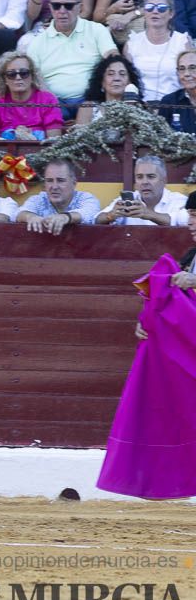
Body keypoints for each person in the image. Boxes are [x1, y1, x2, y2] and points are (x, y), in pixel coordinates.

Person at [95, 192, 196, 501]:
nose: (191, 223)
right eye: (191, 216)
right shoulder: (191, 256)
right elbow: (172, 303)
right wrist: (149, 323)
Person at [25, 0, 118, 108]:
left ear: (79, 7)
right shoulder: (37, 42)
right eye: (57, 6)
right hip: (54, 103)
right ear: (51, 8)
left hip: (92, 100)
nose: (62, 11)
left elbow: (114, 59)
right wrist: (51, 101)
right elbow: (33, 79)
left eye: (68, 6)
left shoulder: (97, 30)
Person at [124, 0, 191, 102]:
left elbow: (190, 78)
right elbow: (128, 82)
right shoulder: (132, 43)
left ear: (171, 14)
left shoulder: (182, 42)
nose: (155, 11)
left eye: (161, 8)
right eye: (150, 7)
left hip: (174, 106)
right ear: (144, 12)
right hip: (140, 107)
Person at [0, 50, 63, 139]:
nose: (18, 78)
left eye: (24, 73)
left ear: (32, 76)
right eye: (11, 74)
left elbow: (54, 140)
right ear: (4, 79)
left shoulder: (47, 100)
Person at [95, 155, 190, 226]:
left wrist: (149, 214)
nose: (144, 182)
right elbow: (96, 220)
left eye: (151, 177)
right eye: (139, 177)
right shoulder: (128, 200)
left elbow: (188, 220)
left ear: (164, 180)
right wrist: (112, 215)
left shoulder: (178, 201)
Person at [15, 158, 100, 234]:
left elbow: (90, 213)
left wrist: (65, 217)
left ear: (74, 183)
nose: (54, 187)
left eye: (60, 181)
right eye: (49, 181)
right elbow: (18, 214)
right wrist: (31, 217)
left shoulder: (85, 198)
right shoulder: (39, 199)